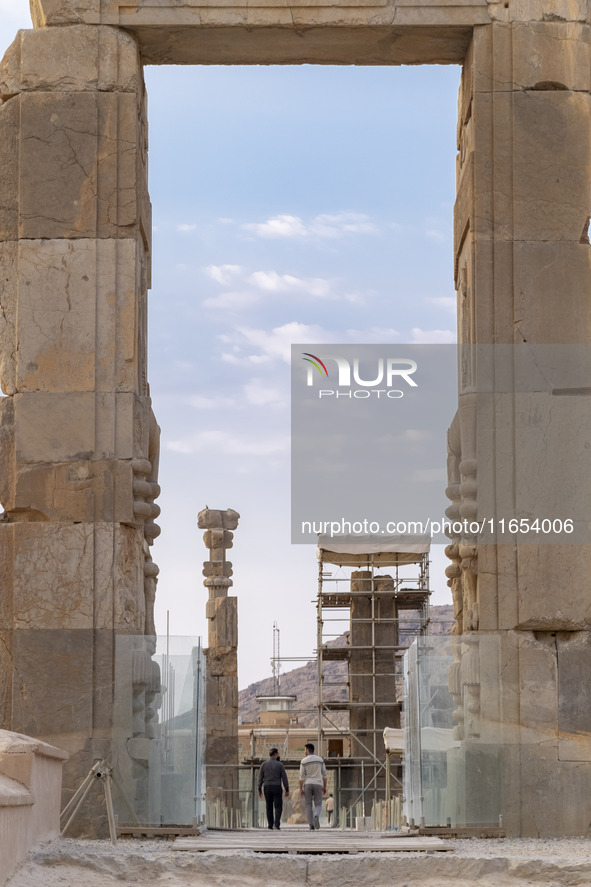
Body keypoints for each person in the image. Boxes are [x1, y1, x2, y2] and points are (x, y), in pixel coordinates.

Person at [258, 748, 289, 830]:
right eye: (278, 753)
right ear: (275, 754)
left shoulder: (264, 764)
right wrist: (287, 788)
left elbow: (260, 778)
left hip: (267, 787)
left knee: (269, 807)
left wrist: (259, 789)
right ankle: (277, 824)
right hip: (277, 787)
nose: (278, 755)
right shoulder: (280, 765)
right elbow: (284, 778)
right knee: (278, 806)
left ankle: (270, 825)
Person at [299, 742, 327, 830]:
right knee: (318, 803)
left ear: (307, 750)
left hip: (307, 783)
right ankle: (316, 816)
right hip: (318, 783)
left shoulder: (303, 761)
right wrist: (325, 786)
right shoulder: (320, 760)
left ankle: (311, 824)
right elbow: (324, 774)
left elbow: (301, 776)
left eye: (305, 749)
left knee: (308, 805)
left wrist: (300, 788)